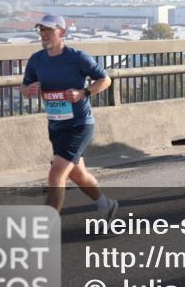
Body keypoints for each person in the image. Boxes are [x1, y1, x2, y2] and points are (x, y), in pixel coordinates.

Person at [19, 15, 117, 219]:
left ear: (62, 32)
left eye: (49, 30)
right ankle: (106, 205)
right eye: (41, 30)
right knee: (77, 174)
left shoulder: (77, 57)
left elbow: (105, 80)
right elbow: (24, 86)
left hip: (79, 125)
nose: (44, 34)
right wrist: (27, 90)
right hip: (56, 126)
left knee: (56, 174)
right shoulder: (36, 60)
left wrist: (84, 92)